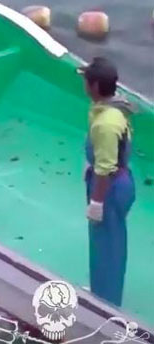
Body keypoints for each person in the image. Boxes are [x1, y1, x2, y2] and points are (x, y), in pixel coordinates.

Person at [79, 57, 136, 306]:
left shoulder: (106, 123)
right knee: (101, 240)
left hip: (110, 188)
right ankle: (99, 290)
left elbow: (105, 169)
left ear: (94, 87)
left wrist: (97, 202)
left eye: (86, 80)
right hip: (115, 181)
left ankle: (106, 303)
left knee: (109, 245)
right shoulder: (110, 108)